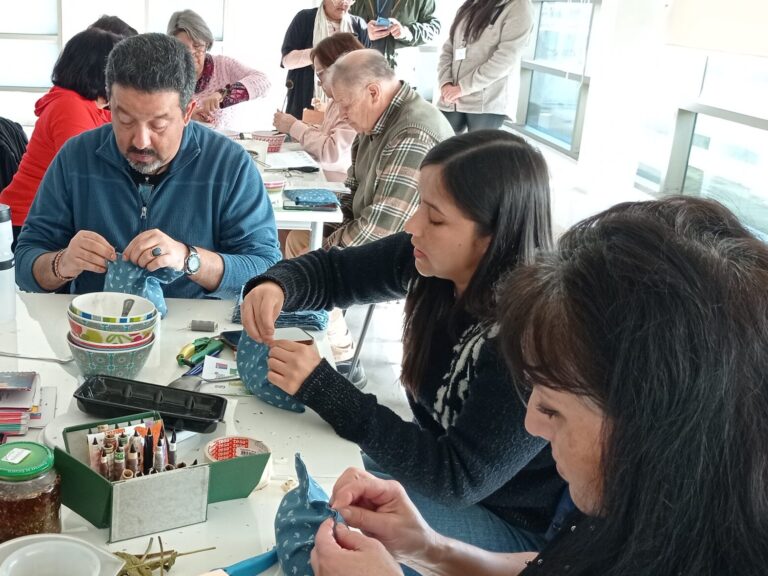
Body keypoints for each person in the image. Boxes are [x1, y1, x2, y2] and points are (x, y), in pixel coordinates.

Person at [309, 196, 768, 576]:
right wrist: (428, 548)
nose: (531, 422)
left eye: (553, 409)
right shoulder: (620, 504)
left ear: (659, 425)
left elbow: (457, 476)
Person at [242, 130, 563, 557]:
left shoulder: (527, 339)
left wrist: (324, 387)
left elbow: (454, 479)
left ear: (492, 235)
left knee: (326, 525)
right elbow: (336, 274)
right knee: (312, 473)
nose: (413, 226)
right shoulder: (432, 266)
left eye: (435, 217)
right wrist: (276, 284)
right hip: (447, 483)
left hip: (508, 529)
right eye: (419, 205)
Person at [15, 33, 281, 299]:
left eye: (158, 125)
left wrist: (189, 259)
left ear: (188, 112)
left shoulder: (228, 165)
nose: (141, 141)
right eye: (126, 120)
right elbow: (26, 262)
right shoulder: (76, 157)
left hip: (194, 333)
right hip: (97, 329)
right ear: (109, 103)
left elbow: (266, 268)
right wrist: (61, 264)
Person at [283, 48, 454, 257]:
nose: (342, 115)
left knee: (305, 260)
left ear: (373, 92)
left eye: (345, 105)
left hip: (413, 256)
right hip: (379, 238)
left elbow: (381, 230)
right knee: (299, 239)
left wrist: (319, 255)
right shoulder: (372, 120)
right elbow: (351, 199)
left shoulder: (411, 134)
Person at [0, 28, 121, 244]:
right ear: (100, 72)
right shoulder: (69, 106)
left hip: (49, 216)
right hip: (29, 222)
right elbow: (87, 173)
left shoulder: (93, 107)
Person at [273, 33, 363, 182]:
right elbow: (328, 136)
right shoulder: (336, 101)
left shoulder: (355, 102)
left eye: (321, 75)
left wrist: (295, 127)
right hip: (325, 179)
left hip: (338, 185)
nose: (320, 83)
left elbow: (333, 154)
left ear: (343, 69)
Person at [438, 0, 534, 133]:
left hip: (486, 101)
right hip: (452, 97)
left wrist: (463, 88)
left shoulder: (519, 6)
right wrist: (445, 83)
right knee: (440, 146)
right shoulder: (471, 4)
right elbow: (449, 47)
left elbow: (506, 59)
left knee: (478, 151)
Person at [167, 9, 270, 127]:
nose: (191, 54)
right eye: (183, 49)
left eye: (197, 46)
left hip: (227, 142)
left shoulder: (223, 65)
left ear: (207, 43)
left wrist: (223, 94)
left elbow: (263, 82)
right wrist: (187, 115)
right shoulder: (166, 76)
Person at [280, 0, 369, 120]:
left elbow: (367, 69)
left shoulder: (358, 25)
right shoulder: (305, 18)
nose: (344, 3)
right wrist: (322, 51)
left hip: (345, 109)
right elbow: (287, 61)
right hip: (305, 101)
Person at [351, 0, 440, 69]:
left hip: (399, 73)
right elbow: (340, 26)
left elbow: (433, 28)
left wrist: (407, 33)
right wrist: (363, 33)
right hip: (360, 70)